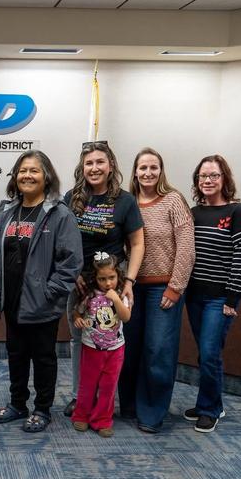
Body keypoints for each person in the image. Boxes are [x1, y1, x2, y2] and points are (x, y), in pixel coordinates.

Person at [0, 150, 83, 433]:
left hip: (42, 302)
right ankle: (18, 403)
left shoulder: (59, 214)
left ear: (46, 177)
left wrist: (49, 292)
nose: (27, 176)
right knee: (16, 354)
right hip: (12, 299)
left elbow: (71, 261)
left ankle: (42, 409)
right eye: (22, 171)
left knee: (43, 358)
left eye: (34, 171)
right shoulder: (7, 211)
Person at [63, 142, 144, 417]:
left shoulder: (125, 201)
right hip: (79, 282)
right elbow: (61, 240)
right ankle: (80, 396)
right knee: (79, 337)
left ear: (111, 166)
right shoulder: (71, 198)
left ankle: (105, 400)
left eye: (100, 162)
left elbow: (137, 243)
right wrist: (72, 273)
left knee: (109, 338)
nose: (94, 168)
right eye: (89, 163)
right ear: (82, 167)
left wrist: (129, 282)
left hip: (111, 282)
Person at [118, 148, 195, 433]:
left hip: (164, 288)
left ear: (161, 171)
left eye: (154, 167)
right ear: (135, 172)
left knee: (158, 350)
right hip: (131, 287)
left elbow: (186, 247)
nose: (148, 173)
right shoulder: (127, 202)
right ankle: (130, 405)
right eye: (143, 168)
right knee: (129, 348)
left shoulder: (174, 200)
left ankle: (151, 412)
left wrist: (176, 287)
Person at [184, 154, 241, 433]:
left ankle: (209, 409)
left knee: (210, 353)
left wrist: (232, 298)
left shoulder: (237, 212)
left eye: (214, 175)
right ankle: (212, 403)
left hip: (220, 299)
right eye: (203, 176)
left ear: (224, 179)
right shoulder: (194, 213)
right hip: (194, 296)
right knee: (206, 354)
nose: (208, 180)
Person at [71, 253, 131, 438]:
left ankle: (102, 420)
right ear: (95, 278)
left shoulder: (121, 294)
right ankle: (81, 415)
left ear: (118, 275)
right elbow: (77, 312)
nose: (108, 283)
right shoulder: (89, 296)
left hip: (115, 349)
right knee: (87, 384)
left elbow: (126, 317)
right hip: (91, 348)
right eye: (102, 279)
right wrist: (78, 319)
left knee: (108, 386)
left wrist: (116, 299)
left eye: (111, 277)